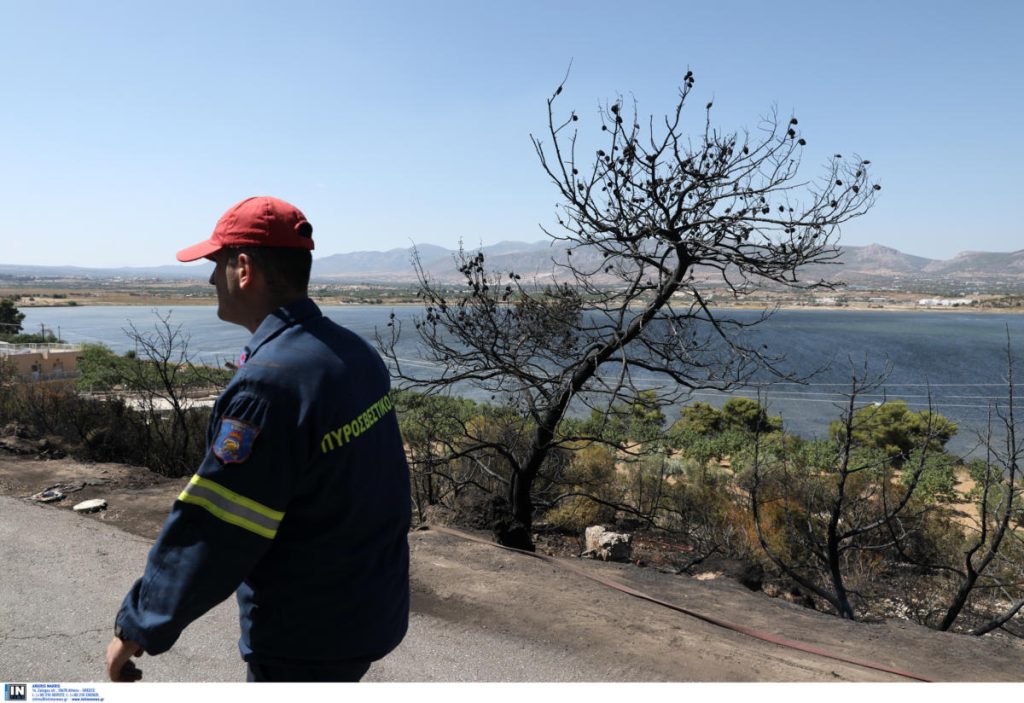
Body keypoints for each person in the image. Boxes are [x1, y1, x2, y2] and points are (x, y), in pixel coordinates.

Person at [105, 196, 410, 683]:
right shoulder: (353, 354)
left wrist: (139, 625)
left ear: (243, 268)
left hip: (303, 635)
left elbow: (217, 524)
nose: (210, 280)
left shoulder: (270, 383)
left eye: (216, 264)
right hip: (367, 609)